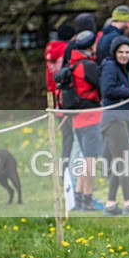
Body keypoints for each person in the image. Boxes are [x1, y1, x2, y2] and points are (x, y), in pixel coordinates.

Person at [99, 35, 129, 215]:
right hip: (114, 120)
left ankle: (110, 205)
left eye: (127, 52)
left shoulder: (120, 67)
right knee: (123, 162)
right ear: (114, 52)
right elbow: (107, 90)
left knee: (120, 164)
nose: (125, 55)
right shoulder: (110, 67)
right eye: (121, 52)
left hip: (122, 119)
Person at [69, 30, 103, 210]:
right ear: (91, 46)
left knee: (85, 159)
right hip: (91, 118)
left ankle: (79, 196)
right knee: (91, 160)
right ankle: (88, 199)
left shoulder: (73, 64)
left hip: (78, 119)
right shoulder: (88, 66)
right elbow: (101, 86)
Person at [45, 22, 77, 170]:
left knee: (67, 138)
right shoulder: (67, 50)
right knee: (74, 138)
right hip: (66, 99)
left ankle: (65, 171)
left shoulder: (50, 49)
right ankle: (71, 174)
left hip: (55, 98)